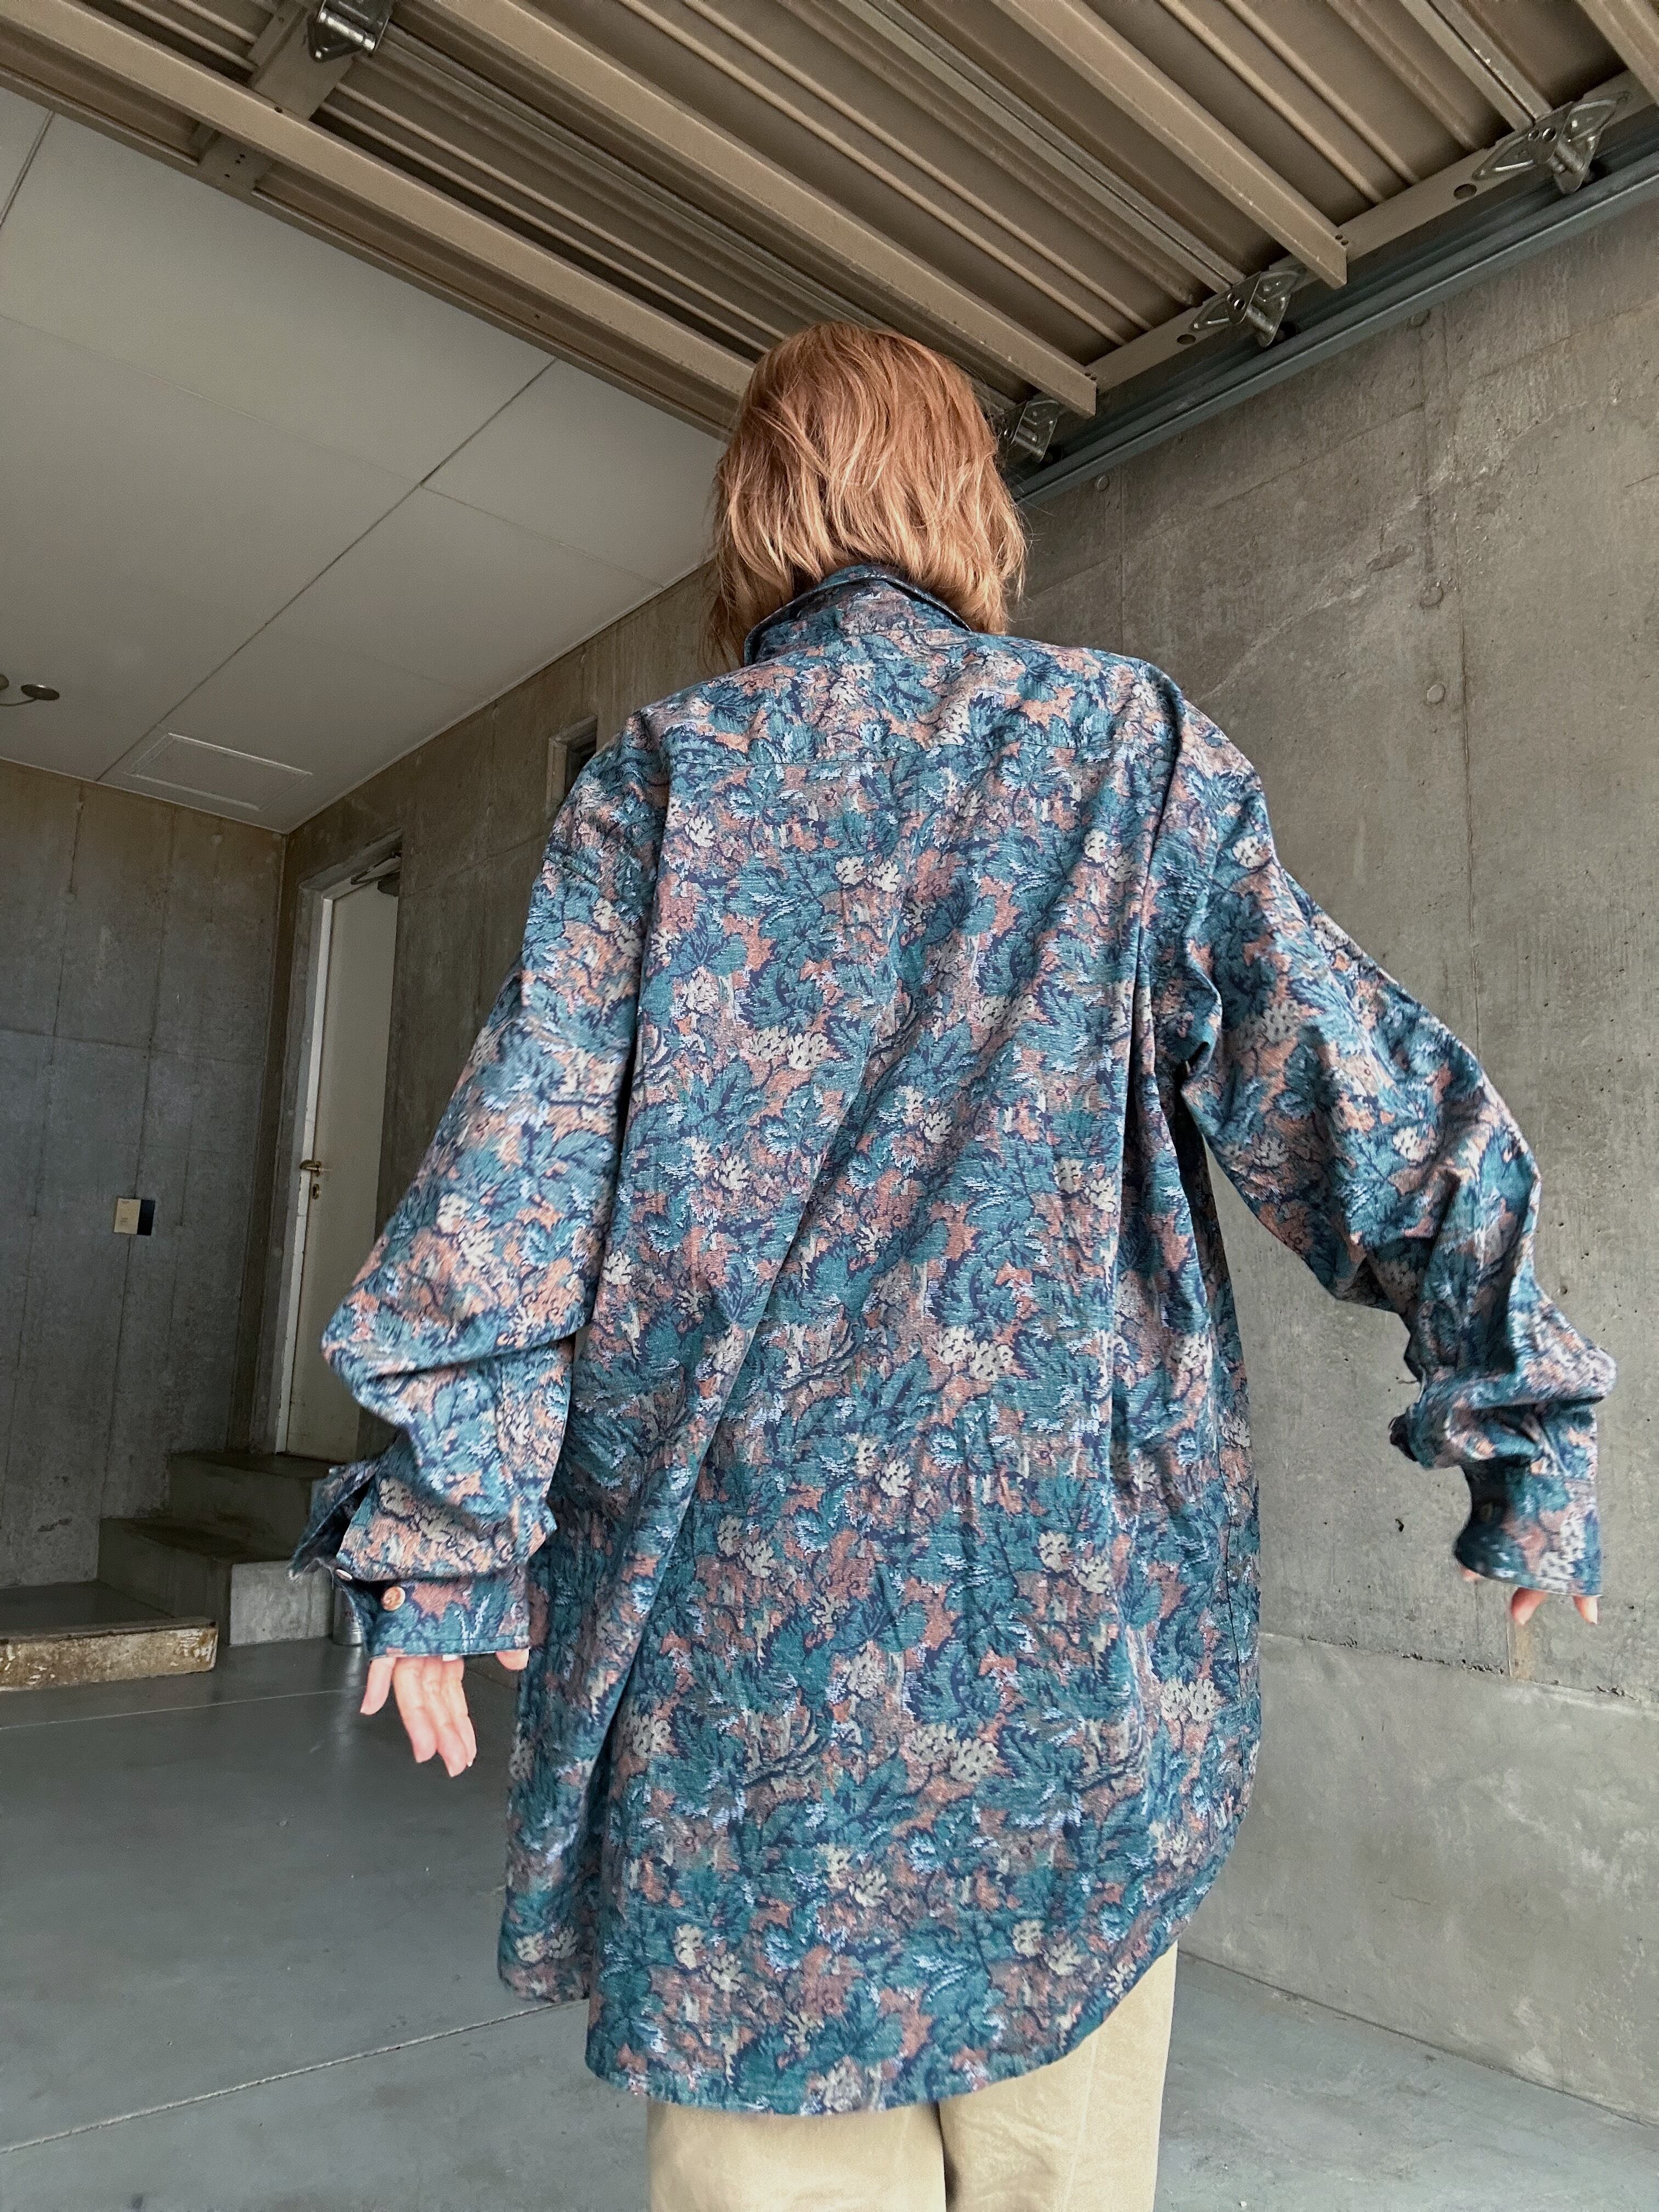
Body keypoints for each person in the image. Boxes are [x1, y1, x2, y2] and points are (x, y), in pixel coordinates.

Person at [294, 323, 1612, 2211]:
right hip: (1059, 1624)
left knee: (773, 2171)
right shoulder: (1120, 751)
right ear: (969, 507)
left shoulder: (660, 788)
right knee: (1060, 2163)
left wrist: (448, 1541)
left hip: (737, 1663)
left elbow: (524, 1174)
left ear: (754, 517)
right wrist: (1522, 1417)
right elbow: (1356, 1097)